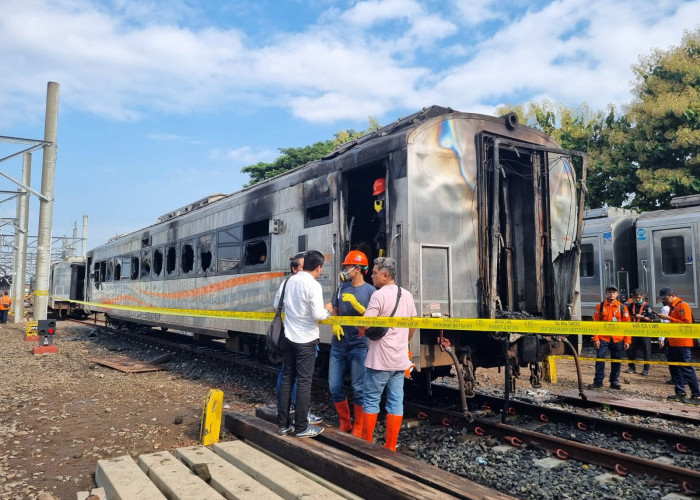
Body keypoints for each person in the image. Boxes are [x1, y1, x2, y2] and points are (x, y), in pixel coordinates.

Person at [360, 257, 416, 451]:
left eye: (375, 273)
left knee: (371, 400)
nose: (372, 276)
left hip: (379, 360)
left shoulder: (378, 295)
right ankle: (391, 445)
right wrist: (402, 342)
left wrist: (360, 322)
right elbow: (412, 326)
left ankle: (367, 443)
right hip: (399, 360)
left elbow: (366, 324)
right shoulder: (406, 295)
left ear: (385, 275)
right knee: (395, 402)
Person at [276, 250, 332, 438]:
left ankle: (283, 425)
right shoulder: (313, 285)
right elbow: (318, 314)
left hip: (288, 338)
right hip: (306, 340)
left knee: (287, 378)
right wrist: (328, 311)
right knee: (304, 383)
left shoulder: (290, 281)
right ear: (318, 267)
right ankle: (301, 427)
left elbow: (280, 305)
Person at [330, 250, 376, 437]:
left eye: (348, 267)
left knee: (359, 387)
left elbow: (373, 318)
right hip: (339, 344)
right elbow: (334, 308)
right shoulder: (341, 288)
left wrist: (358, 306)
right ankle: (344, 420)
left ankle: (358, 424)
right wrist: (335, 322)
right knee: (334, 385)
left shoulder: (371, 291)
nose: (346, 270)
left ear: (358, 269)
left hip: (359, 345)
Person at [656, 288, 699, 404]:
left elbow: (686, 324)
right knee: (677, 367)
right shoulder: (673, 307)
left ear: (672, 295)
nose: (664, 301)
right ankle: (680, 392)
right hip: (674, 342)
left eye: (665, 298)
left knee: (686, 368)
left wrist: (669, 318)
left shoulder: (682, 306)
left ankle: (696, 395)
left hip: (682, 343)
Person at [588, 285, 631, 390]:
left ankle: (614, 381)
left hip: (618, 339)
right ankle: (598, 382)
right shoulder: (600, 306)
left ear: (617, 294)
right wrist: (596, 338)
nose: (611, 294)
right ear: (606, 293)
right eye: (610, 292)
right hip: (603, 338)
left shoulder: (622, 307)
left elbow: (627, 325)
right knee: (600, 360)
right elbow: (595, 323)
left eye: (614, 292)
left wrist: (627, 340)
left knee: (616, 360)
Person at [625, 288, 655, 375]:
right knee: (631, 350)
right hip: (633, 331)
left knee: (646, 350)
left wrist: (641, 317)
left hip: (644, 331)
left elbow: (651, 319)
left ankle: (646, 369)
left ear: (642, 296)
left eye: (638, 297)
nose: (637, 299)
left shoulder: (647, 306)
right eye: (635, 297)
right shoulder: (630, 305)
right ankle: (631, 367)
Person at [371, 178, 386, 258]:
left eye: (380, 194)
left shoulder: (387, 205)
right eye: (377, 195)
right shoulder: (381, 205)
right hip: (382, 242)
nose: (378, 196)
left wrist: (380, 211)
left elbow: (385, 221)